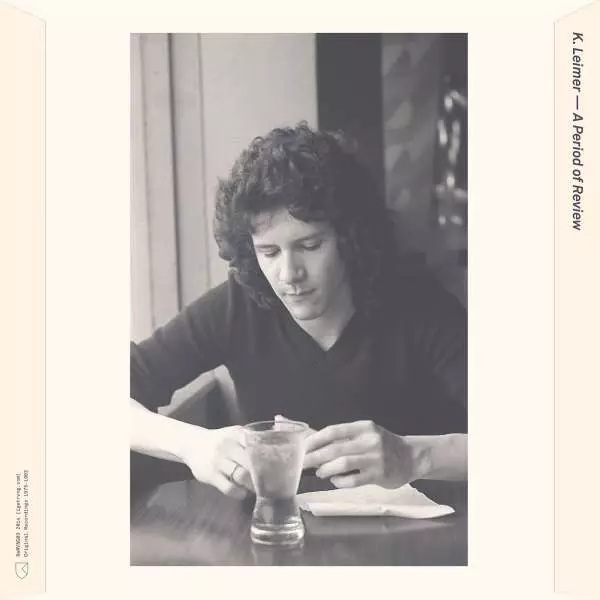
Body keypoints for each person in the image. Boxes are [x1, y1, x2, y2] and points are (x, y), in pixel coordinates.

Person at [130, 122, 467, 500]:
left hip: (427, 532)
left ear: (350, 238)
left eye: (310, 246)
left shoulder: (420, 306)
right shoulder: (238, 305)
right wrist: (193, 446)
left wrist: (413, 455)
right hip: (281, 530)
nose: (289, 274)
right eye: (269, 252)